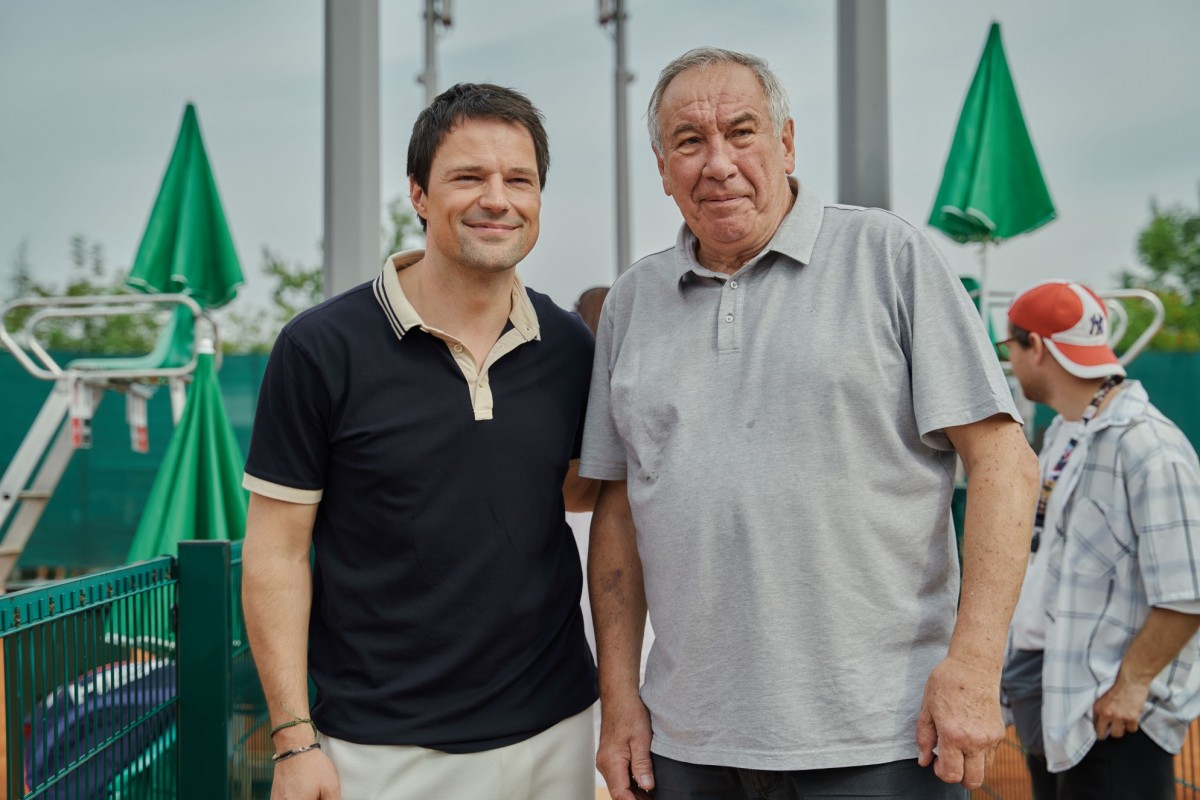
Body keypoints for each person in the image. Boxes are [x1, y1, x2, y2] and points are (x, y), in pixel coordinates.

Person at [579, 47, 1040, 800]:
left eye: (742, 132)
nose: (718, 163)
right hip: (686, 743)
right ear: (662, 168)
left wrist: (976, 665)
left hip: (883, 737)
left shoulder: (888, 256)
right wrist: (621, 697)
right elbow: (619, 510)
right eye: (690, 142)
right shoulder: (633, 302)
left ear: (786, 143)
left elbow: (1005, 462)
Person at [240, 82, 599, 800]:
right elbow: (276, 553)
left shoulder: (570, 347)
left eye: (519, 180)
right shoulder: (319, 348)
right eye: (468, 177)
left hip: (558, 730)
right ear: (419, 194)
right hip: (381, 749)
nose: (497, 199)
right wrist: (294, 739)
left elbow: (575, 492)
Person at [1000, 280, 1200, 800]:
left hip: (1113, 717)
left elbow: (1189, 591)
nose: (1009, 362)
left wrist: (1132, 684)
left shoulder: (1150, 447)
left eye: (1009, 346)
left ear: (1035, 347)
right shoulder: (1067, 431)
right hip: (1059, 698)